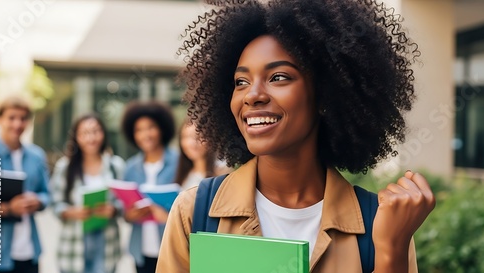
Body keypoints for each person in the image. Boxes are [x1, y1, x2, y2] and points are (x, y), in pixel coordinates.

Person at [157, 0, 436, 272]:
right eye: (241, 82)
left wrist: (391, 252)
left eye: (278, 77)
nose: (252, 96)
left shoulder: (379, 223)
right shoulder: (195, 212)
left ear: (325, 94)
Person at [50, 113, 124, 273]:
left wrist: (113, 210)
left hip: (106, 242)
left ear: (104, 134)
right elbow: (55, 203)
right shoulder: (64, 167)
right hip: (73, 242)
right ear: (76, 137)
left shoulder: (115, 166)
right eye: (84, 133)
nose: (91, 138)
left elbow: (124, 203)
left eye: (96, 131)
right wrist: (71, 212)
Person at [0, 95, 50, 273]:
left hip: (29, 251)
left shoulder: (36, 156)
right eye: (11, 118)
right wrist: (8, 209)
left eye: (23, 118)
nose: (17, 124)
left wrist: (37, 201)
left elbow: (46, 194)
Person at [120, 100, 178, 273]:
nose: (145, 134)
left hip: (171, 250)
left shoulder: (179, 163)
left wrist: (167, 216)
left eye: (150, 127)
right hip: (140, 249)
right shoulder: (130, 168)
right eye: (139, 130)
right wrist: (129, 215)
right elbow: (125, 212)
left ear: (161, 128)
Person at [173, 120, 216, 190]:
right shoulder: (182, 173)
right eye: (186, 137)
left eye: (199, 136)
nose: (191, 143)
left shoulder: (221, 173)